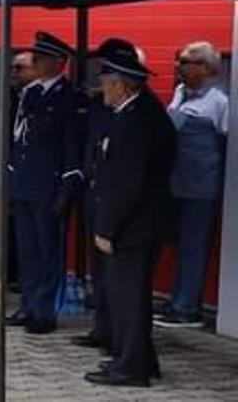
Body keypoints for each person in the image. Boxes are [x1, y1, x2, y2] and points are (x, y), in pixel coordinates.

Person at [85, 47, 176, 388]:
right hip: (137, 224)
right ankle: (136, 357)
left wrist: (107, 227)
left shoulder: (138, 120)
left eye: (106, 83)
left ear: (122, 86)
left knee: (130, 298)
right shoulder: (136, 113)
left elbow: (127, 182)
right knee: (127, 296)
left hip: (135, 227)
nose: (102, 89)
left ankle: (131, 366)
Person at [6, 32, 83, 332]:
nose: (35, 62)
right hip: (25, 182)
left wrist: (66, 190)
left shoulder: (68, 97)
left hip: (49, 187)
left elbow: (72, 147)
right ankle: (28, 304)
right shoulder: (31, 93)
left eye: (40, 58)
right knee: (27, 250)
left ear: (58, 63)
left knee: (48, 251)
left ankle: (45, 311)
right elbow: (19, 140)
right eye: (34, 58)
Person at [73, 37, 140, 355]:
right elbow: (93, 146)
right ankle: (103, 328)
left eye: (105, 76)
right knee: (100, 273)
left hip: (120, 212)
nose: (100, 83)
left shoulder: (139, 116)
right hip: (96, 197)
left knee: (121, 282)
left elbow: (130, 174)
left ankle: (122, 344)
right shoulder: (103, 108)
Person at [158, 41, 226, 328]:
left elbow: (226, 146)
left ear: (206, 68)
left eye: (186, 62)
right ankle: (176, 300)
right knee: (178, 245)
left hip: (201, 189)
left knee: (194, 247)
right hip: (175, 184)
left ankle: (188, 308)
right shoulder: (179, 93)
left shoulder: (219, 102)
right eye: (179, 61)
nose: (179, 66)